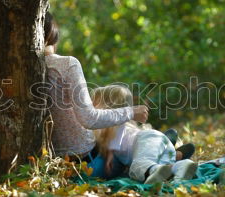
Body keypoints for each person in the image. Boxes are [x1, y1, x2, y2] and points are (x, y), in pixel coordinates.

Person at [44, 12, 148, 175]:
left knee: (120, 132)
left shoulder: (20, 69)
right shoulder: (66, 64)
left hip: (57, 167)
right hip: (89, 164)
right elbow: (89, 118)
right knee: (130, 140)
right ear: (53, 33)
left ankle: (162, 145)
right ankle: (162, 146)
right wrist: (131, 112)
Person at [92, 85, 198, 184]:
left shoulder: (115, 123)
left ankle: (155, 171)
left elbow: (117, 130)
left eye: (95, 103)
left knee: (138, 166)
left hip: (145, 141)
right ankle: (180, 166)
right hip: (156, 140)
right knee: (161, 164)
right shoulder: (128, 124)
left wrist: (110, 154)